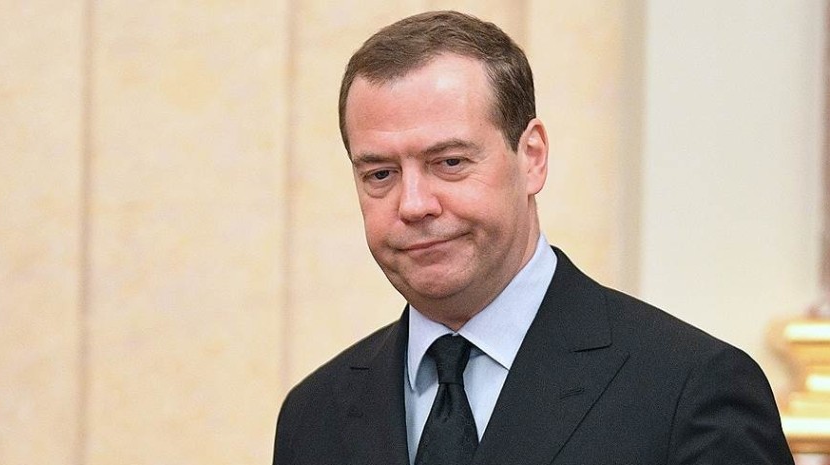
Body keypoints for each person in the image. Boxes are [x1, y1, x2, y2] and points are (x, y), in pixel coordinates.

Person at [273, 10, 793, 465]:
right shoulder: (314, 414)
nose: (413, 204)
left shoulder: (689, 391)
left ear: (532, 158)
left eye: (449, 162)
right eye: (380, 174)